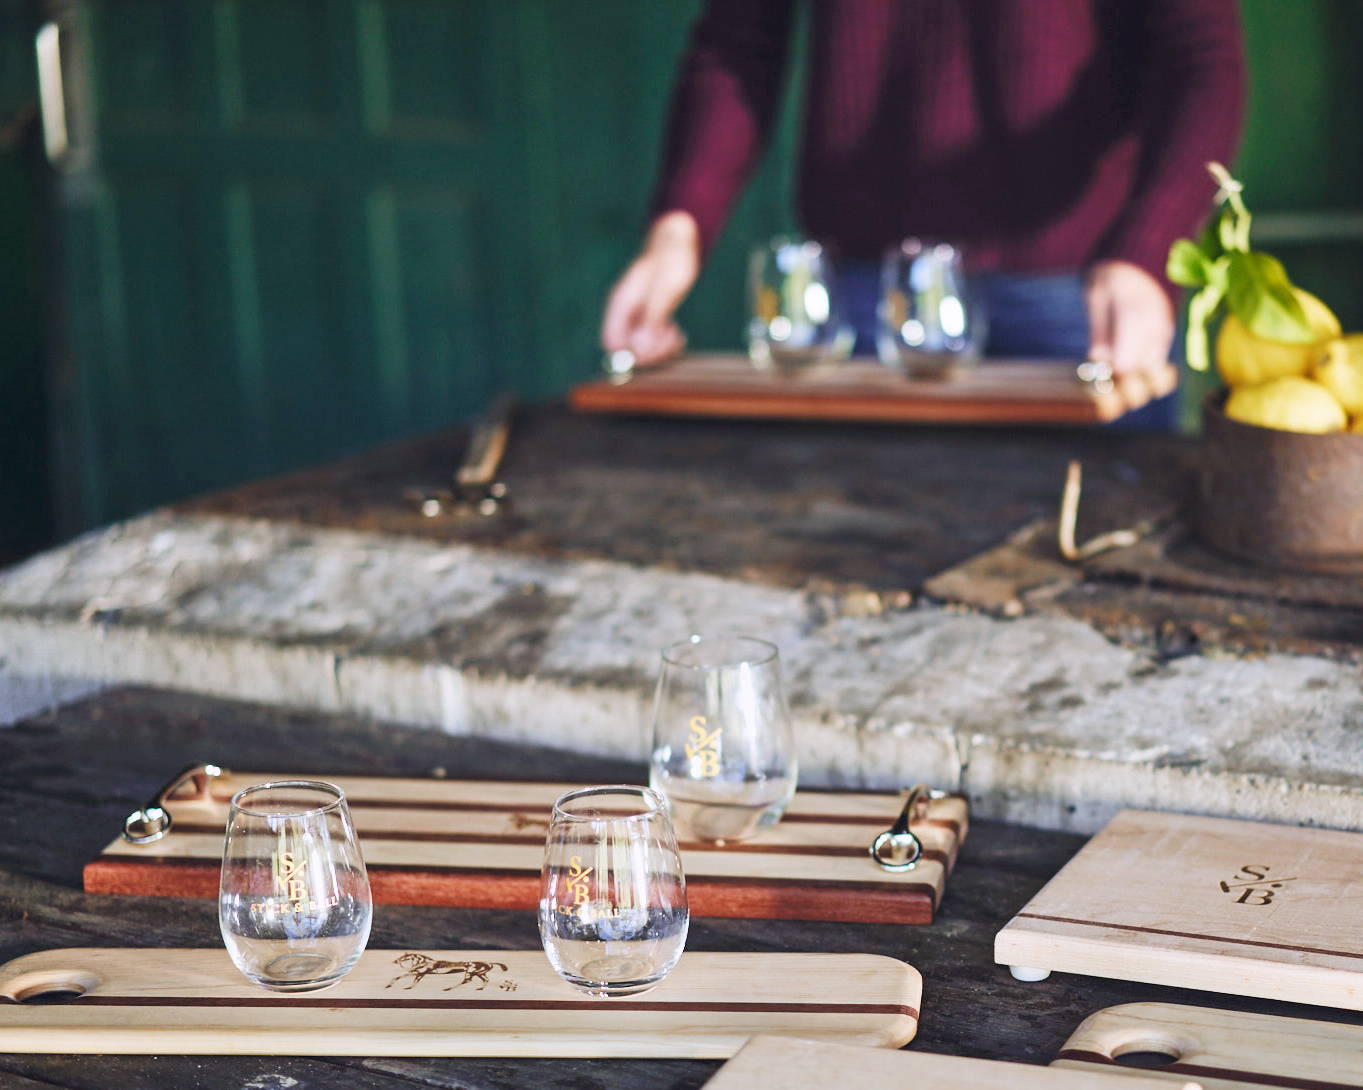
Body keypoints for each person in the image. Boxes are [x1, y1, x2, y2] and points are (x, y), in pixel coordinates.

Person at [601, 0, 1246, 427]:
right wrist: (677, 229)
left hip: (1081, 297)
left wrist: (1146, 253)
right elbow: (737, 42)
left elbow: (1202, 57)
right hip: (863, 294)